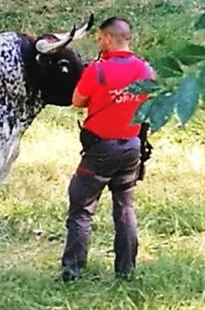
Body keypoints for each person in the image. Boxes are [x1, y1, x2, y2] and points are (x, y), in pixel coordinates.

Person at [60, 16, 154, 282]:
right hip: (132, 147)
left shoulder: (97, 71)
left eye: (100, 38)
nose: (99, 43)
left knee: (81, 208)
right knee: (124, 208)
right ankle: (126, 271)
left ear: (110, 38)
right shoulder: (146, 71)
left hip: (101, 149)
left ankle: (72, 271)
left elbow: (76, 101)